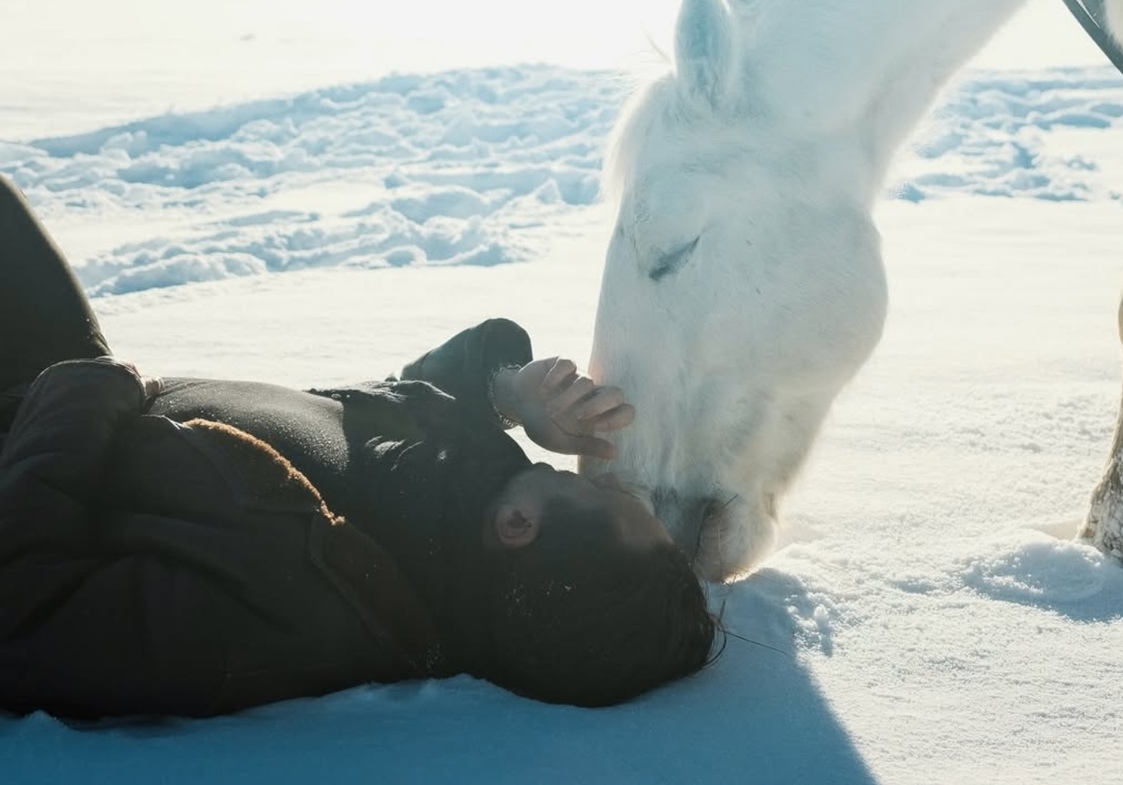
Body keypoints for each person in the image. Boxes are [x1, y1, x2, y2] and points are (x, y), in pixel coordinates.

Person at [0, 175, 716, 719]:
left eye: (599, 495)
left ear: (520, 527)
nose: (603, 478)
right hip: (58, 398)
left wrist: (80, 393)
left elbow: (24, 620)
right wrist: (507, 393)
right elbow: (392, 408)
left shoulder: (294, 615)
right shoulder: (462, 512)